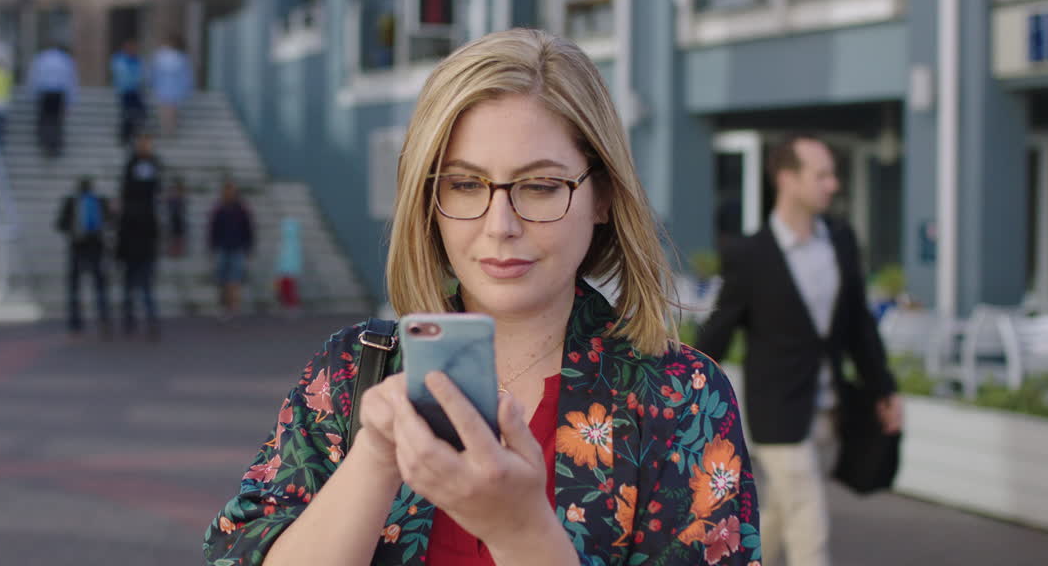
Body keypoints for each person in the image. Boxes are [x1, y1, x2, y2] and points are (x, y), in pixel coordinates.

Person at [204, 29, 759, 566]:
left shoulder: (680, 396)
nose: (500, 225)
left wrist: (519, 530)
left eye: (540, 186)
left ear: (604, 197)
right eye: (465, 184)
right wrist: (374, 457)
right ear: (429, 198)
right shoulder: (352, 374)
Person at [696, 133, 902, 566]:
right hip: (776, 410)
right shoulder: (751, 254)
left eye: (833, 175)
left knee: (781, 513)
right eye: (822, 175)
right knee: (809, 522)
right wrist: (685, 389)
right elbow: (720, 328)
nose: (834, 184)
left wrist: (883, 389)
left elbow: (859, 326)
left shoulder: (840, 241)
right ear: (787, 179)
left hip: (829, 409)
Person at [116, 133, 163, 339]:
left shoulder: (152, 164)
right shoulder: (132, 165)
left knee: (143, 288)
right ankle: (133, 320)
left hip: (142, 251)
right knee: (135, 288)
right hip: (134, 252)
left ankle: (144, 320)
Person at [56, 176, 113, 339]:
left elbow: (110, 220)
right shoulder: (75, 202)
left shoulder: (97, 202)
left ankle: (98, 319)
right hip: (83, 247)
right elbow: (61, 223)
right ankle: (80, 321)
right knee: (81, 286)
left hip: (92, 247)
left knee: (95, 285)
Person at [207, 180, 254, 319]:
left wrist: (248, 246)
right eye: (228, 191)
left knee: (235, 279)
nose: (230, 194)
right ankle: (224, 306)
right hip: (222, 247)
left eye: (232, 191)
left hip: (237, 247)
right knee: (222, 279)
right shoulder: (219, 209)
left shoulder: (241, 210)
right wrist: (212, 245)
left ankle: (234, 308)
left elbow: (248, 229)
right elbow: (213, 229)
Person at [28, 42, 79, 157]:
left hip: (44, 92)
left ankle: (45, 142)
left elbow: (34, 77)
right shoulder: (65, 59)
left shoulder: (41, 58)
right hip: (59, 93)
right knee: (56, 120)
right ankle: (55, 145)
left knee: (45, 119)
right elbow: (71, 80)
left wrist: (32, 95)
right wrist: (71, 100)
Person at [150, 34, 193, 137]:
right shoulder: (160, 55)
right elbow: (154, 72)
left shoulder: (181, 57)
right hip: (163, 86)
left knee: (172, 109)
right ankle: (165, 128)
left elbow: (186, 75)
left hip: (174, 87)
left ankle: (170, 129)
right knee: (164, 108)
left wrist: (187, 87)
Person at [111, 39, 147, 146]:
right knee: (127, 114)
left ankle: (133, 135)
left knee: (140, 113)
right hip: (125, 90)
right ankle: (124, 137)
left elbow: (141, 73)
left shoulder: (136, 59)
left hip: (135, 90)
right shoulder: (120, 59)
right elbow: (121, 74)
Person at [274, 216, 303, 312]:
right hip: (288, 269)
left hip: (287, 270)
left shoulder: (289, 243)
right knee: (288, 288)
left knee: (288, 288)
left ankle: (290, 305)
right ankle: (289, 304)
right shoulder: (292, 242)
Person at [164, 175, 188, 258]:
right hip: (173, 219)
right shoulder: (171, 198)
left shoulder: (181, 198)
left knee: (178, 235)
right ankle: (172, 250)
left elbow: (182, 209)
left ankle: (178, 250)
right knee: (172, 234)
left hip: (179, 219)